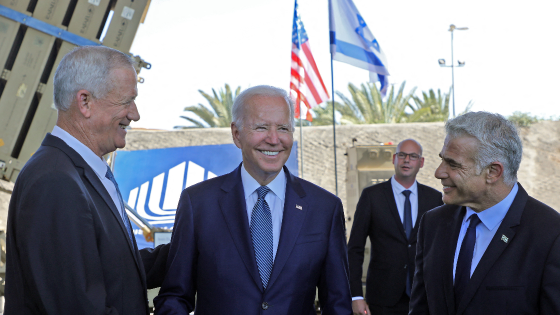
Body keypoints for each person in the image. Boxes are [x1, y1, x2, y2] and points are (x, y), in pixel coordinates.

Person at [154, 85, 352, 315]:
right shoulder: (198, 203)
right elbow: (175, 296)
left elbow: (338, 304)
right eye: (261, 127)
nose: (274, 139)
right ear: (236, 134)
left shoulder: (324, 208)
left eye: (283, 128)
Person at [5, 46, 168, 315]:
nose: (135, 114)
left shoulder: (78, 171)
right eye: (126, 101)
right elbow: (76, 306)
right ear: (85, 102)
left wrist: (193, 250)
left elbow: (112, 269)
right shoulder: (55, 181)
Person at [409, 112, 560, 315]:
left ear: (493, 172)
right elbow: (421, 307)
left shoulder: (550, 234)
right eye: (442, 160)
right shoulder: (433, 224)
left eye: (453, 164)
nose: (439, 172)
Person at [347, 139, 443, 315]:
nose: (407, 160)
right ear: (394, 159)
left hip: (424, 297)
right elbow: (354, 249)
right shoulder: (372, 196)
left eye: (413, 156)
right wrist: (356, 296)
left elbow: (442, 250)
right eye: (402, 155)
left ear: (421, 163)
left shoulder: (435, 199)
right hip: (382, 299)